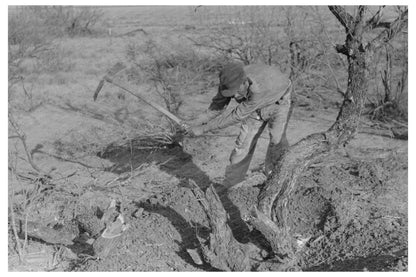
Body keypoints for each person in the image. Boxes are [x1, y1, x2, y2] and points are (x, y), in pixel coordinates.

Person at [187, 61, 293, 188]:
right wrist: (195, 122)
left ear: (245, 82)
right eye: (231, 93)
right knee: (242, 144)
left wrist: (204, 129)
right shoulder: (228, 82)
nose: (235, 96)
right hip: (253, 106)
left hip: (279, 102)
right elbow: (217, 107)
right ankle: (232, 186)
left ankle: (275, 182)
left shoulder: (258, 89)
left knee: (277, 141)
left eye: (237, 91)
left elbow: (237, 115)